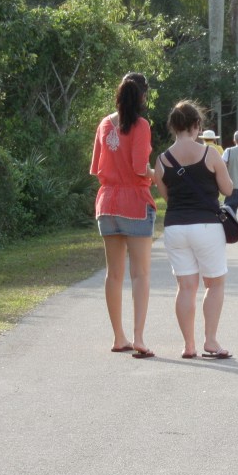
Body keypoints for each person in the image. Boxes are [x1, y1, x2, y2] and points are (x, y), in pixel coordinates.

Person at [155, 101, 235, 359]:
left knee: (186, 286)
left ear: (173, 126)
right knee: (214, 284)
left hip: (176, 227)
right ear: (196, 125)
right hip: (206, 226)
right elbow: (228, 190)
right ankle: (210, 341)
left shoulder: (162, 160)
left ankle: (188, 345)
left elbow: (166, 196)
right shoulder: (209, 154)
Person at [90, 72, 157, 359]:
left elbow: (96, 168)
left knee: (113, 274)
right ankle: (139, 337)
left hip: (107, 202)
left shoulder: (105, 124)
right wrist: (157, 175)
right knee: (140, 274)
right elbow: (141, 167)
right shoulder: (141, 126)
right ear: (142, 96)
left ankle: (119, 337)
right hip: (135, 202)